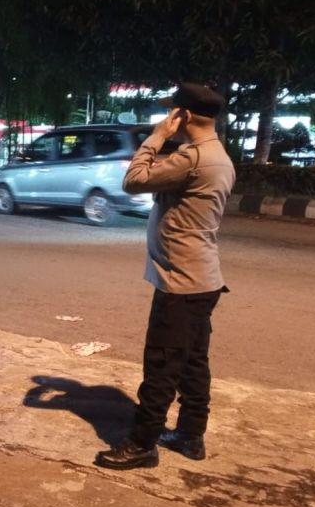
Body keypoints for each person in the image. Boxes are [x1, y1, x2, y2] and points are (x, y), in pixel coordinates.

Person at [96, 82, 235, 470]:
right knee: (192, 362)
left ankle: (142, 444)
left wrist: (157, 136)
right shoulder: (217, 156)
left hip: (181, 281)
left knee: (161, 364)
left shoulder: (193, 158)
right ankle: (191, 434)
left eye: (171, 111)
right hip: (202, 278)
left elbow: (133, 180)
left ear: (182, 115)